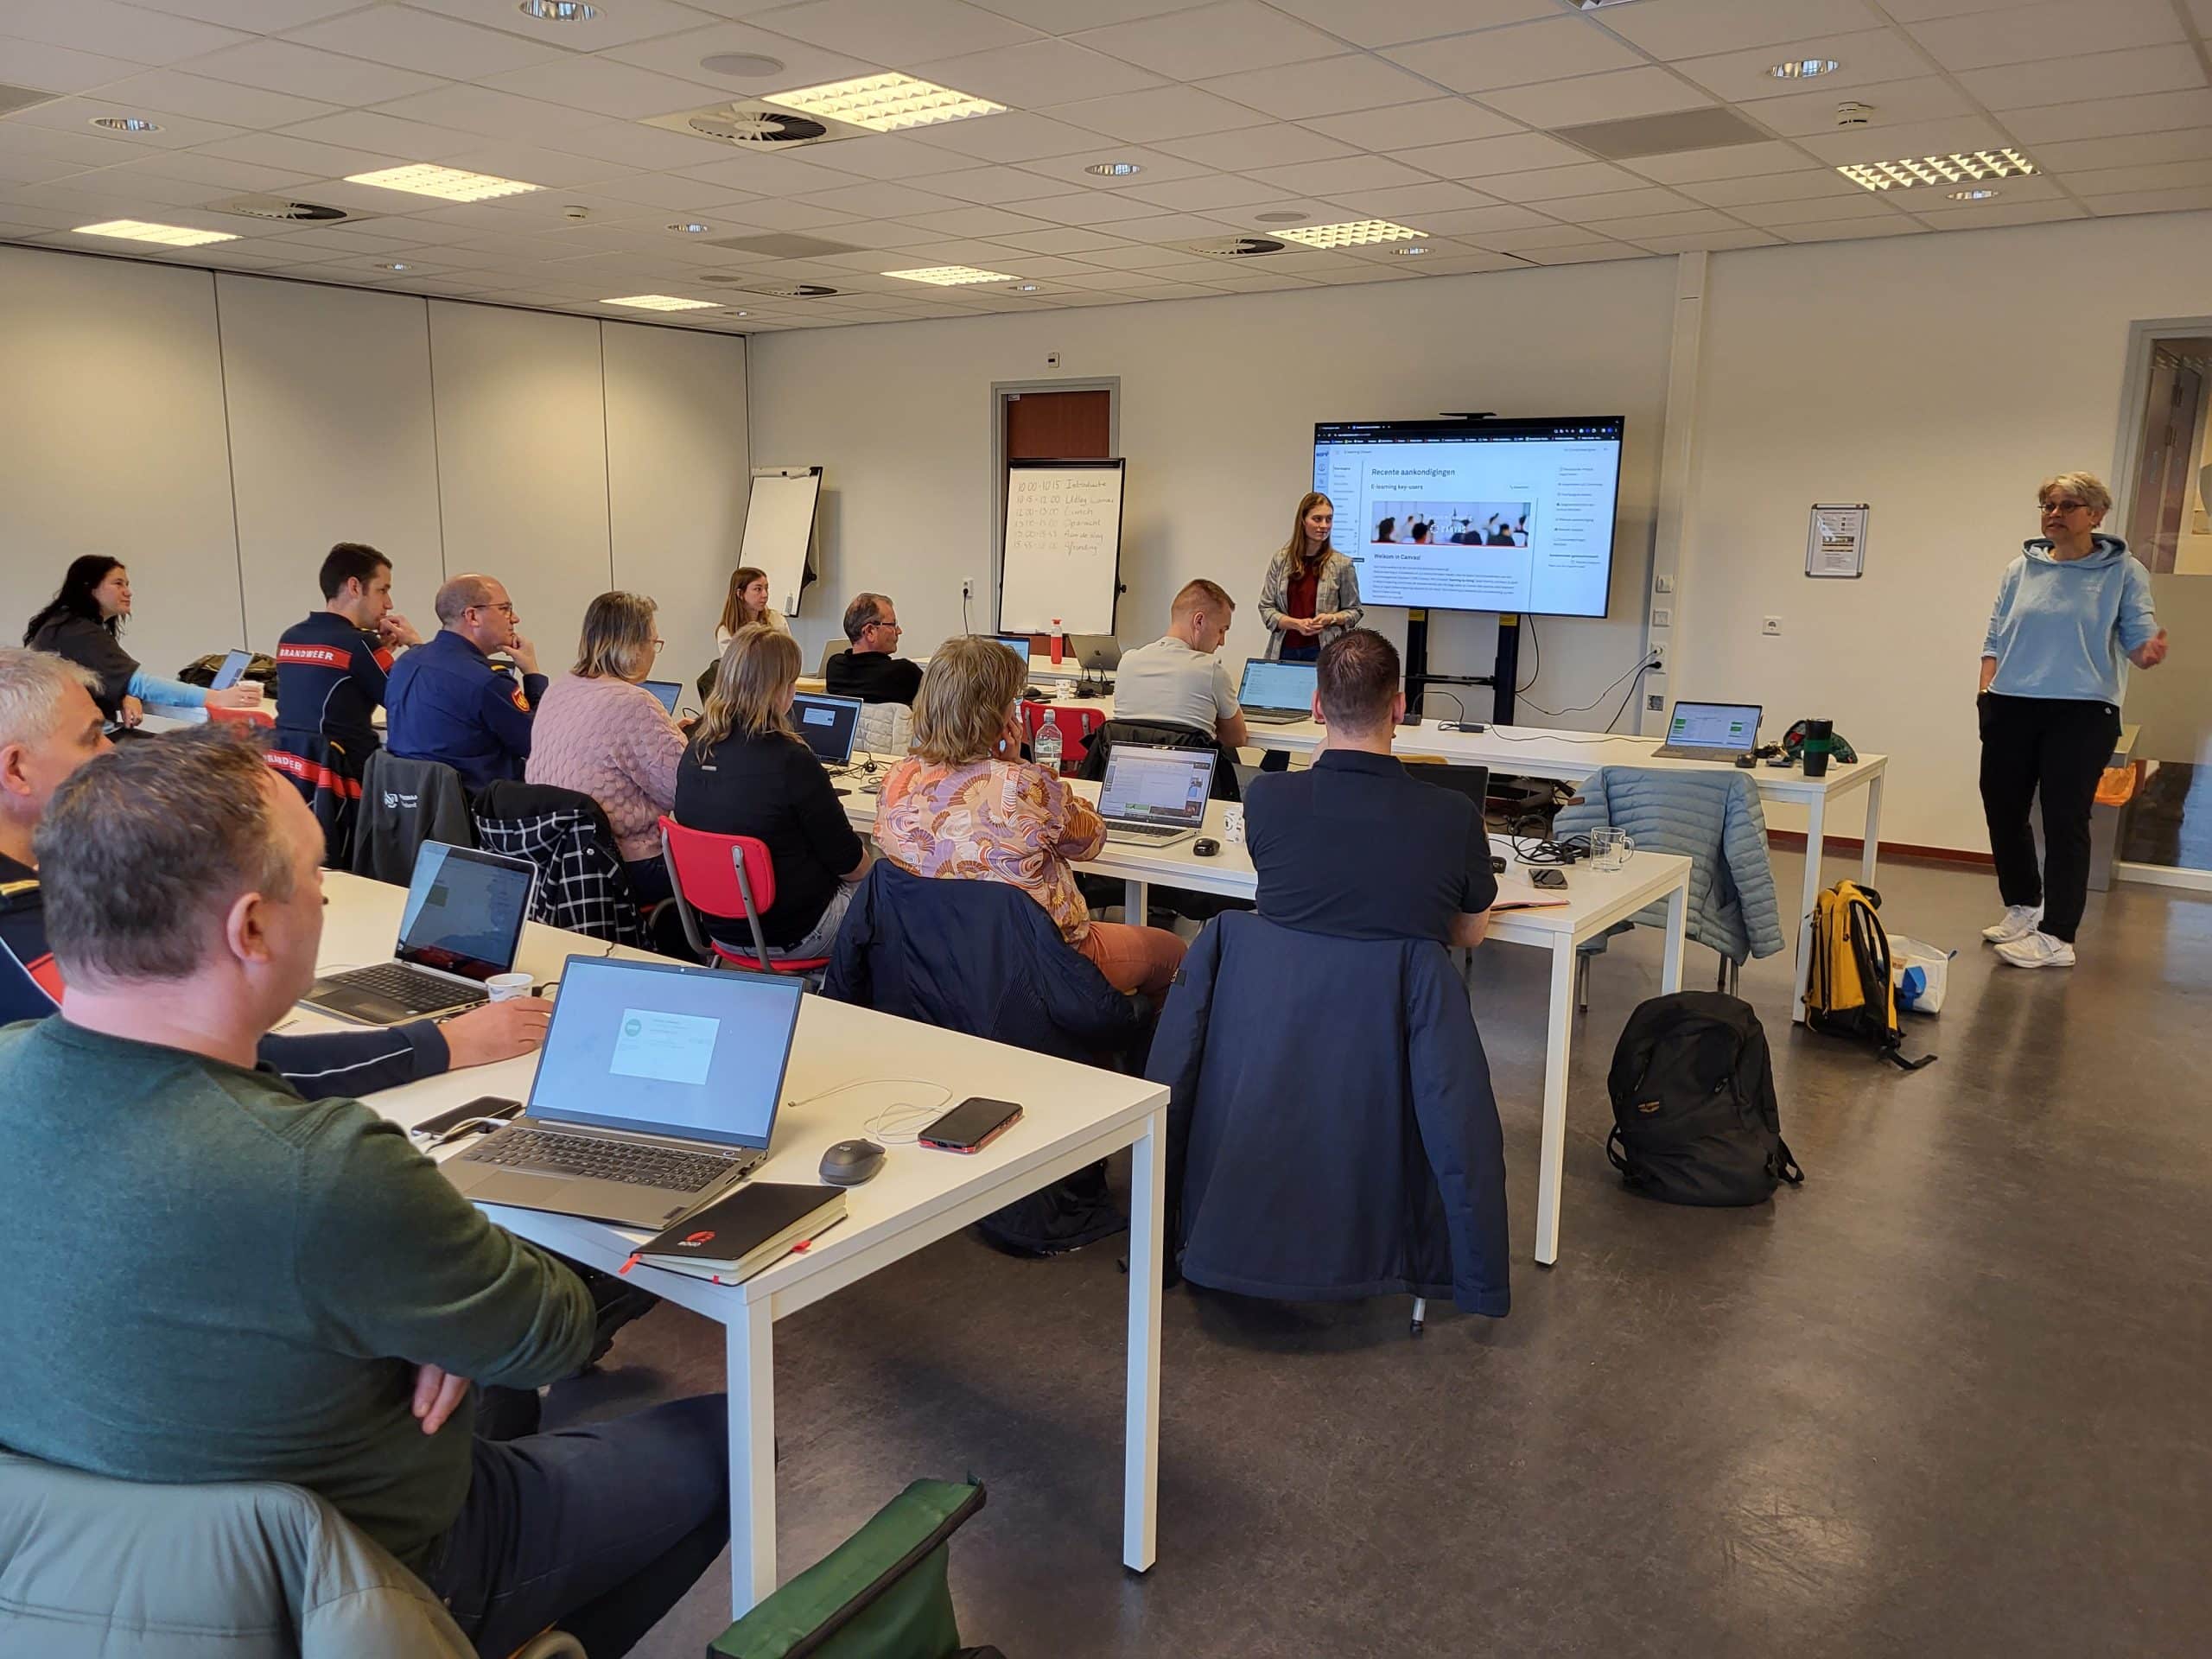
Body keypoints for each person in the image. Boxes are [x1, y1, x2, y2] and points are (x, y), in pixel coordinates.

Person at [0, 726, 728, 1658]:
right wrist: (445, 1308)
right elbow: (548, 1332)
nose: (327, 891)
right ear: (251, 928)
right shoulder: (322, 1172)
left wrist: (422, 1294)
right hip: (359, 1586)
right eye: (312, 873)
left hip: (68, 1591)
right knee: (727, 1445)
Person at [0, 646, 549, 1088]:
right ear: (17, 770)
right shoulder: (17, 918)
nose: (110, 755)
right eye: (91, 737)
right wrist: (447, 1043)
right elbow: (201, 1069)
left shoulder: (42, 879)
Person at [874, 634, 1185, 999]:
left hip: (934, 960)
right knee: (1174, 954)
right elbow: (1090, 841)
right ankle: (1122, 1050)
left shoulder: (898, 778)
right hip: (1042, 963)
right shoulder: (1023, 786)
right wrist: (1018, 763)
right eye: (1011, 700)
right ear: (994, 714)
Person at [1977, 470, 2168, 969]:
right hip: (2011, 705)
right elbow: (1995, 634)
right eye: (2047, 505)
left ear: (2096, 515)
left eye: (2066, 505)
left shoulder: (2124, 571)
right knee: (2003, 809)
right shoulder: (2020, 568)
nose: (2054, 514)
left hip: (2083, 711)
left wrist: (2146, 652)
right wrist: (1985, 691)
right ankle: (2023, 905)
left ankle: (2058, 935)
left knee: (2065, 819)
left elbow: (2137, 634)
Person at [1244, 629, 1496, 949]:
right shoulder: (1455, 816)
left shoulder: (1265, 798)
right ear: (1399, 708)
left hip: (1289, 995)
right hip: (1399, 998)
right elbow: (1470, 934)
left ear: (1317, 706)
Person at [674, 624, 870, 959]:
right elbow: (851, 864)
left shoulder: (694, 751)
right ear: (779, 689)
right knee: (884, 891)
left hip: (719, 928)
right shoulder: (791, 761)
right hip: (796, 933)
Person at [525, 592, 686, 907]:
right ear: (633, 645)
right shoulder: (633, 702)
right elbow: (684, 790)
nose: (654, 652)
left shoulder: (561, 687)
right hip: (623, 863)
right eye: (654, 643)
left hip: (559, 859)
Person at [22, 555, 260, 728]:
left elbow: (115, 676)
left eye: (127, 584)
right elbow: (141, 683)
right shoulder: (78, 630)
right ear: (89, 588)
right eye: (118, 583)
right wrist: (215, 697)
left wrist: (127, 693)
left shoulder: (65, 623)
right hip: (76, 741)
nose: (128, 591)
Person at [385, 574, 545, 791]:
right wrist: (532, 673)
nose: (514, 618)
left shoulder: (405, 663)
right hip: (483, 812)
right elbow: (541, 744)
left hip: (413, 812)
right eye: (504, 608)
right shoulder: (487, 682)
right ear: (472, 616)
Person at [273, 541, 421, 760]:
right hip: (347, 777)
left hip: (297, 773)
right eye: (382, 590)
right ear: (354, 587)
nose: (389, 603)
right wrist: (416, 646)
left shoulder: (291, 638)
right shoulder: (360, 644)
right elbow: (419, 702)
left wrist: (379, 656)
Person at [1111, 578, 1249, 752]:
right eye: (1222, 630)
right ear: (1199, 621)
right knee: (1256, 775)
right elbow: (1236, 738)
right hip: (1186, 777)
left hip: (1127, 775)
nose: (1222, 642)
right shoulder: (1211, 670)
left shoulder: (1127, 662)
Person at [1257, 491, 1363, 664]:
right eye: (1317, 519)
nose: (1324, 525)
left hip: (1324, 651)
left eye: (1329, 519)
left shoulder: (1342, 564)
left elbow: (1355, 610)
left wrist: (1332, 618)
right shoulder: (1281, 560)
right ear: (1302, 521)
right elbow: (1266, 608)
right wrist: (1295, 624)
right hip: (1284, 649)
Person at [824, 592, 924, 706]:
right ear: (870, 631)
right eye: (892, 625)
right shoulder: (904, 672)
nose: (899, 631)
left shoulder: (835, 666)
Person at [715, 564, 788, 650]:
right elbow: (739, 662)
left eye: (766, 588)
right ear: (740, 594)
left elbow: (790, 654)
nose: (765, 595)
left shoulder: (776, 619)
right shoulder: (726, 632)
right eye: (758, 589)